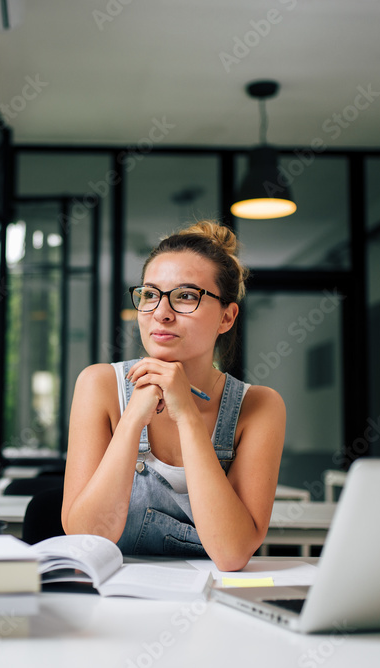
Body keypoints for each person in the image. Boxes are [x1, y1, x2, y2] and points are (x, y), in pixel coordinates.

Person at [61, 221, 286, 571]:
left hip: (213, 606)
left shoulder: (260, 406)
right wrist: (134, 417)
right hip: (114, 603)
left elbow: (231, 554)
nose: (161, 313)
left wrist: (187, 416)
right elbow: (87, 539)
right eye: (150, 294)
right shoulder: (99, 385)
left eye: (186, 296)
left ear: (226, 317)